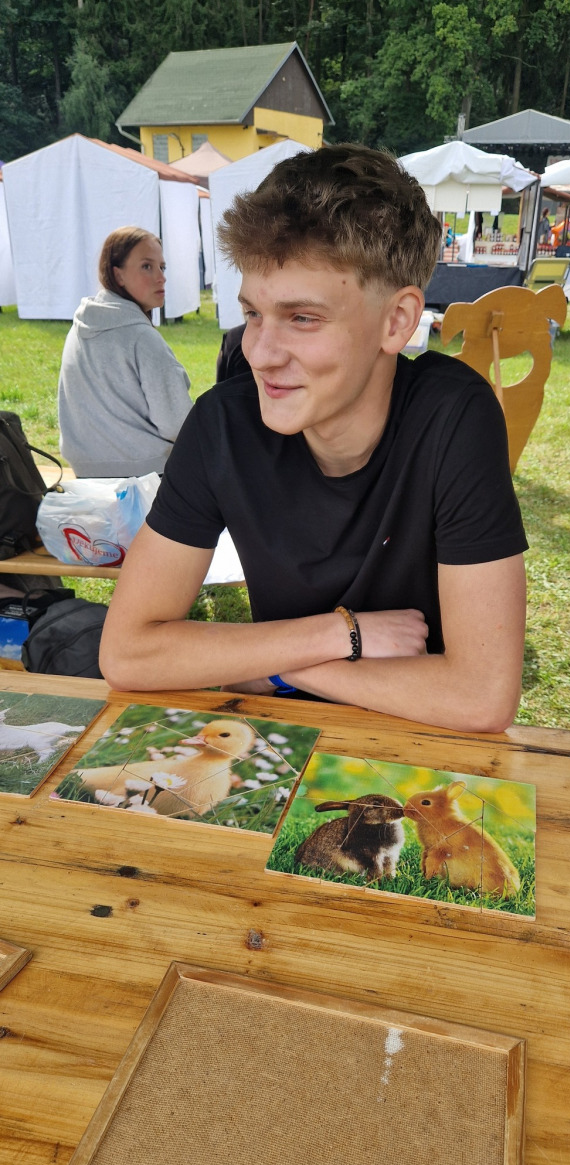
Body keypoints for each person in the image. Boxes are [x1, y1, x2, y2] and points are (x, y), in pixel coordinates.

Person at [100, 145, 527, 733]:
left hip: (414, 740)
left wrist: (278, 669)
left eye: (302, 318)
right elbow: (127, 654)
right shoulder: (224, 424)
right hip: (276, 737)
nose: (259, 354)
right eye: (253, 314)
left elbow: (481, 697)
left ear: (397, 322)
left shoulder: (453, 417)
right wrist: (341, 635)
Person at [58, 227, 192, 477]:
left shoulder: (80, 327)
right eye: (146, 266)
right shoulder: (142, 339)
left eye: (162, 267)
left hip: (85, 471)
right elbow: (179, 425)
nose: (161, 278)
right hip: (148, 476)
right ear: (117, 275)